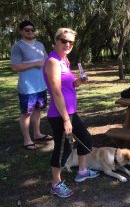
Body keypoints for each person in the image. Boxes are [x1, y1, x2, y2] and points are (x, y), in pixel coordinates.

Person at [43, 28, 99, 198]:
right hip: (60, 114)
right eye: (64, 40)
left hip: (70, 111)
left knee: (85, 140)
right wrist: (66, 119)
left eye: (71, 42)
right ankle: (56, 184)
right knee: (63, 149)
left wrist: (78, 82)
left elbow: (69, 85)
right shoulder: (52, 61)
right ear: (56, 40)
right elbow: (56, 91)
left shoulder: (64, 60)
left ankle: (82, 171)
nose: (67, 44)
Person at [10, 20, 52, 150]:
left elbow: (46, 61)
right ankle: (27, 139)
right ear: (21, 31)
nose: (30, 32)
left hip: (41, 85)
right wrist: (34, 64)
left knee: (38, 110)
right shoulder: (18, 47)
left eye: (32, 30)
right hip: (27, 87)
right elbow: (14, 67)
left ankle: (37, 134)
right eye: (27, 30)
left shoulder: (39, 45)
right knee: (26, 113)